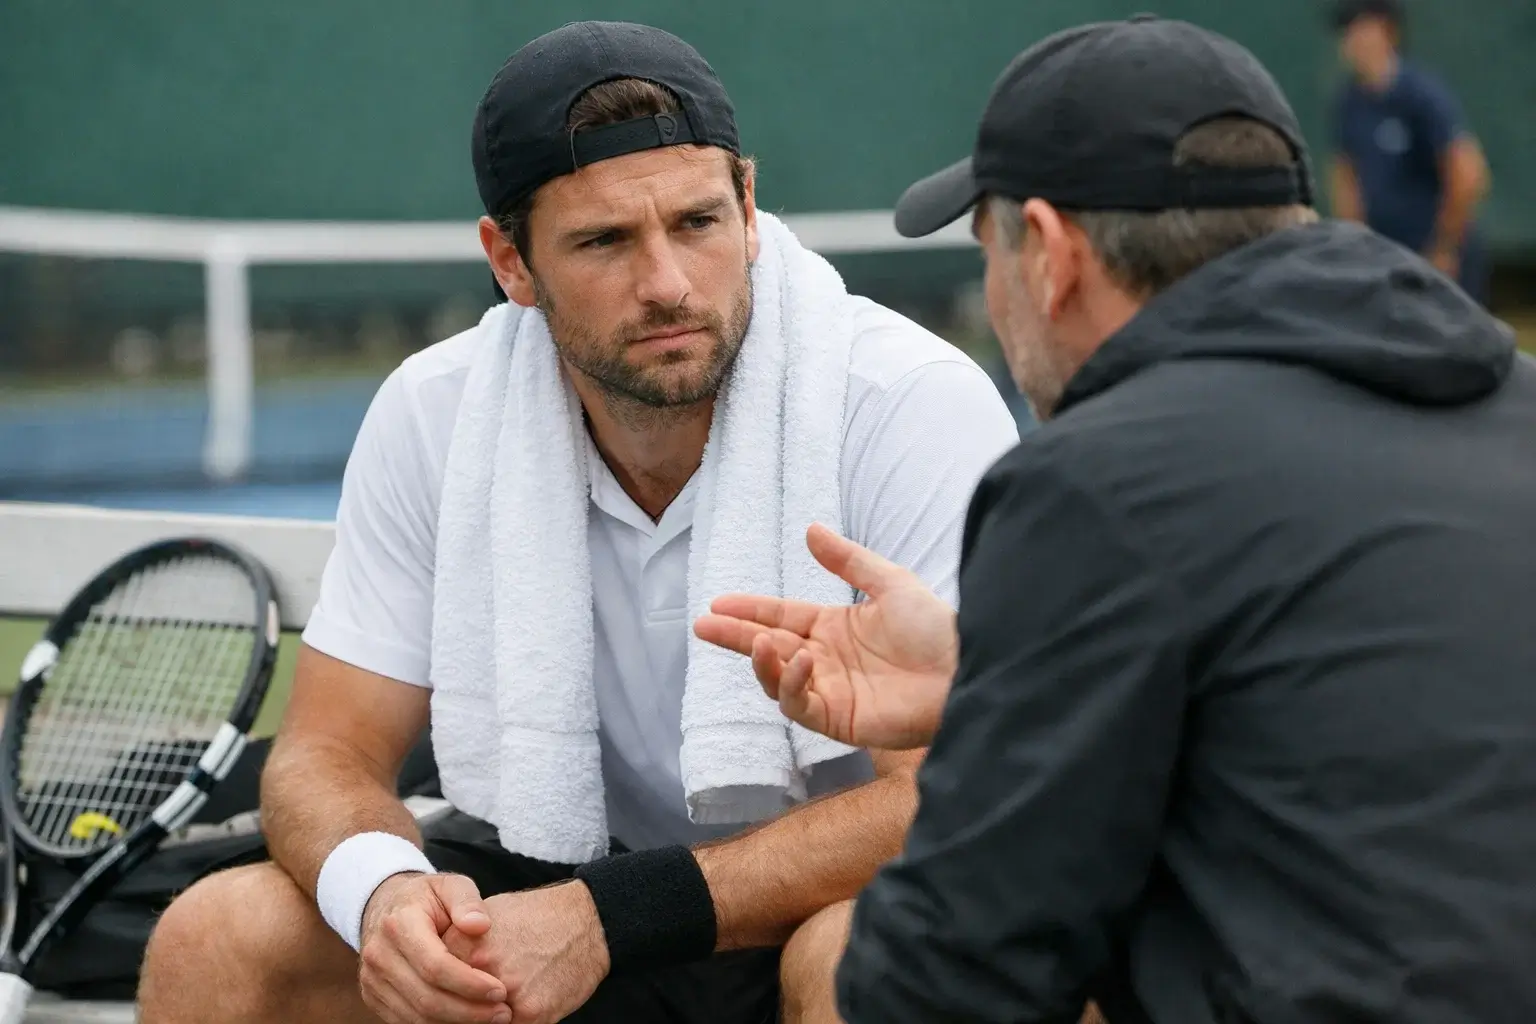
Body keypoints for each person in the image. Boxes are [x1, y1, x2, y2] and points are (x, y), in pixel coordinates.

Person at [135, 19, 1019, 1024]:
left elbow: (952, 799)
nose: (669, 285)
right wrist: (389, 898)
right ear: (510, 264)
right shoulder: (437, 411)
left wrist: (612, 915)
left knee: (870, 958)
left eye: (698, 222)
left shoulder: (906, 400)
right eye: (605, 241)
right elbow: (323, 757)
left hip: (821, 901)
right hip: (552, 892)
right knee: (220, 940)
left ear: (749, 203)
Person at [697, 14, 1536, 1024]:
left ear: (1049, 253)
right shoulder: (1513, 403)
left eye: (986, 256)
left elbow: (955, 964)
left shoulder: (1099, 483)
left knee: (845, 961)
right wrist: (992, 680)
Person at [1330, 0, 1493, 305]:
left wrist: (1444, 249)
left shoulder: (1421, 95)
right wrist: (1356, 245)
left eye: (1362, 29)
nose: (1352, 41)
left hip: (1437, 261)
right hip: (1387, 261)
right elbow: (1345, 173)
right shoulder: (1350, 102)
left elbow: (1468, 173)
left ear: (1388, 32)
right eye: (1347, 32)